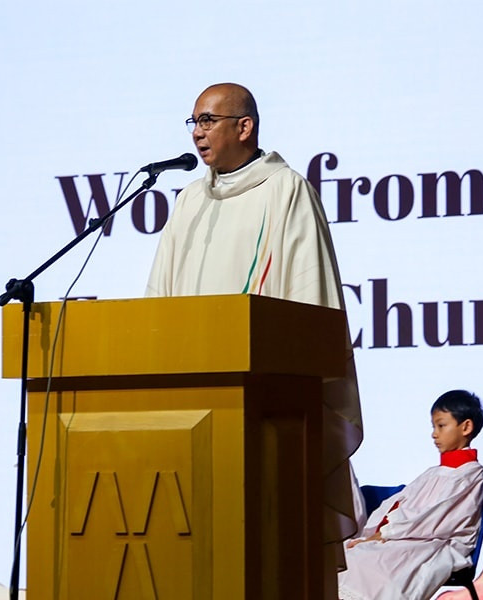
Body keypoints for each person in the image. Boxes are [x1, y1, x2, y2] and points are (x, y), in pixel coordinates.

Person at [146, 82, 363, 597]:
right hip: (190, 409)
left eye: (208, 121)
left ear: (244, 127)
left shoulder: (286, 191)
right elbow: (160, 301)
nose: (197, 133)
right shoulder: (189, 200)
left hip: (262, 411)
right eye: (194, 122)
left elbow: (309, 302)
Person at [338, 390, 483, 600]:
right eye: (433, 427)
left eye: (441, 426)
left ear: (466, 427)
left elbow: (437, 518)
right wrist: (376, 533)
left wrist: (386, 533)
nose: (434, 434)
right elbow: (400, 503)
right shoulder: (432, 473)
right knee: (346, 556)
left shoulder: (470, 473)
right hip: (405, 535)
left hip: (433, 541)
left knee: (370, 565)